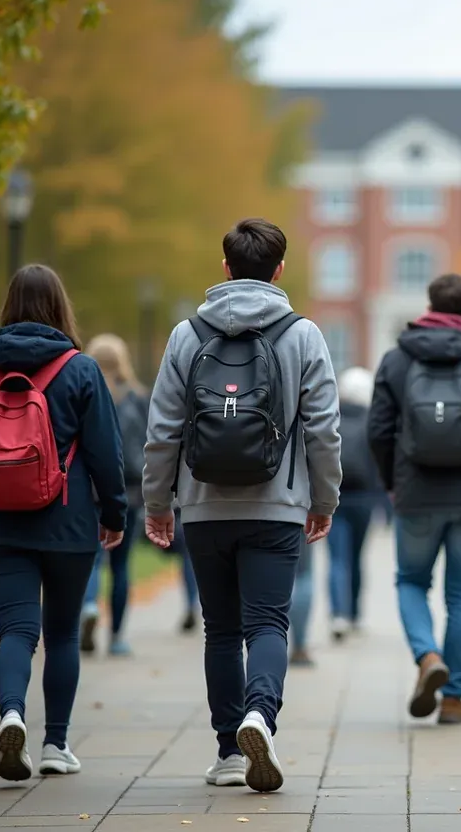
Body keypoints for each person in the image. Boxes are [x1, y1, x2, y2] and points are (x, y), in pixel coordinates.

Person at [143, 218, 341, 792]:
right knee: (269, 623)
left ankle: (230, 750)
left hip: (204, 506)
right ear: (280, 270)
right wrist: (322, 498)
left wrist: (159, 502)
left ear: (224, 268)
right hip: (276, 504)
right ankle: (262, 714)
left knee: (222, 631)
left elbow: (162, 430)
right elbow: (325, 429)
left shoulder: (187, 334)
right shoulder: (303, 335)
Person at [0, 263, 127, 781]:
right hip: (69, 523)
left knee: (18, 630)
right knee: (63, 633)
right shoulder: (82, 369)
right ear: (60, 306)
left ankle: (11, 714)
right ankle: (56, 744)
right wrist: (113, 516)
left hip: (2, 524)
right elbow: (104, 454)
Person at [368, 273, 461, 725]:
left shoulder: (396, 360)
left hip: (415, 493)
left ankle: (427, 655)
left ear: (429, 304)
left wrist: (390, 481)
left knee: (411, 581)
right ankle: (452, 699)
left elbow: (377, 430)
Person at [79, 334, 147, 657]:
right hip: (130, 491)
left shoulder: (84, 391)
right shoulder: (137, 397)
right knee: (121, 565)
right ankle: (118, 636)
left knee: (91, 558)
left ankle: (89, 605)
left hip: (88, 490)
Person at [328, 367, 381, 640]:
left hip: (333, 497)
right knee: (356, 557)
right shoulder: (372, 421)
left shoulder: (331, 416)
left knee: (337, 558)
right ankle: (355, 613)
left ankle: (338, 614)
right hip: (363, 499)